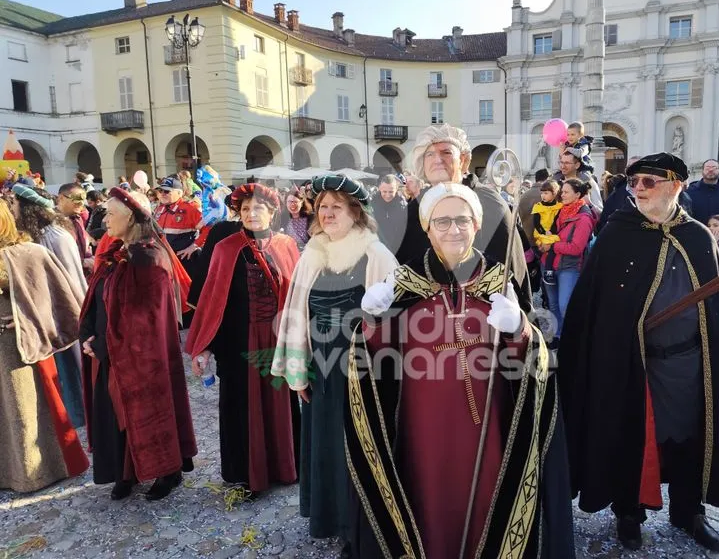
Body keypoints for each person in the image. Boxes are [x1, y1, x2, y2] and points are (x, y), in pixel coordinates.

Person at [348, 182, 574, 558]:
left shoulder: (498, 283)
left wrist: (520, 329)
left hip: (488, 431)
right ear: (427, 227)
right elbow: (377, 362)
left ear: (476, 225)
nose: (454, 229)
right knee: (428, 507)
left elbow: (531, 362)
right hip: (423, 433)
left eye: (463, 220)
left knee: (487, 505)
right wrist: (372, 321)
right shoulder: (405, 285)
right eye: (443, 221)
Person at [558, 153, 719, 553]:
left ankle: (689, 511)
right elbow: (594, 307)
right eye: (634, 183)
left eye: (649, 182)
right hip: (635, 365)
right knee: (632, 435)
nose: (639, 190)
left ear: (676, 185)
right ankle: (628, 513)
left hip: (694, 365)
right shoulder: (618, 233)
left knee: (692, 436)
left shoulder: (699, 237)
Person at [272, 175, 397, 551]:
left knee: (357, 448)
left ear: (355, 212)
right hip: (322, 370)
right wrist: (298, 370)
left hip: (362, 373)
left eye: (336, 207)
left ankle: (357, 526)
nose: (327, 213)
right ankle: (331, 518)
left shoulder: (376, 254)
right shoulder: (312, 254)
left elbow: (394, 320)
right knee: (327, 445)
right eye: (322, 206)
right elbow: (296, 316)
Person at [79, 188, 196, 500]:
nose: (104, 218)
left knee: (149, 413)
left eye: (110, 213)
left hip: (141, 358)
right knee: (115, 413)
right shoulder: (114, 252)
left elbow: (144, 319)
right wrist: (89, 334)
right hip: (107, 350)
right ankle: (125, 471)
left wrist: (103, 344)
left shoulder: (149, 258)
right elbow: (95, 298)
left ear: (130, 216)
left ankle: (166, 471)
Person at [186, 184, 299, 494]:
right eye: (245, 209)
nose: (251, 214)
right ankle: (247, 474)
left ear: (272, 212)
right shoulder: (225, 248)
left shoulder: (286, 246)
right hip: (239, 344)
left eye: (258, 208)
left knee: (280, 404)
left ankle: (285, 466)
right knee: (242, 408)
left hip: (277, 341)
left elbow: (298, 295)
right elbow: (212, 301)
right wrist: (206, 345)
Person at [0, 200, 89, 492]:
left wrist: (23, 315)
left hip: (19, 348)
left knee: (25, 411)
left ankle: (37, 471)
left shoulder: (30, 253)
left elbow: (59, 299)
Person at [396, 124, 531, 310]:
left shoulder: (489, 203)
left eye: (446, 153)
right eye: (429, 154)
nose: (437, 160)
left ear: (464, 160)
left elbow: (507, 271)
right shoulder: (414, 209)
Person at [11, 183, 87, 428]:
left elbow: (69, 283)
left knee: (72, 374)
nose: (11, 208)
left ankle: (78, 421)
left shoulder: (55, 236)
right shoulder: (40, 235)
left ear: (28, 208)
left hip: (63, 317)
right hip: (50, 316)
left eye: (14, 204)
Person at [539, 179, 595, 346]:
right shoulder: (560, 211)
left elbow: (576, 247)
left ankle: (573, 339)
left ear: (578, 195)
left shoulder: (584, 218)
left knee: (566, 306)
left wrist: (553, 245)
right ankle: (558, 335)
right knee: (553, 304)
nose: (561, 195)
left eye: (566, 192)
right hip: (548, 263)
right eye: (561, 191)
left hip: (568, 267)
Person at [685, 159, 719, 226]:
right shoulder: (689, 192)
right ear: (702, 171)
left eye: (714, 168)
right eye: (707, 168)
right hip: (696, 233)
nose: (710, 170)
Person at [57, 183, 93, 273]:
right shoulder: (53, 221)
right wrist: (81, 262)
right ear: (61, 198)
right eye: (76, 199)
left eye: (82, 199)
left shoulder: (78, 219)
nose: (80, 203)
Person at [372, 174, 407, 254]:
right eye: (384, 191)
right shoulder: (372, 204)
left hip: (398, 250)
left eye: (391, 192)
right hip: (378, 249)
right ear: (380, 189)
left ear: (396, 190)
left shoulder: (403, 206)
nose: (388, 195)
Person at [518, 168, 550, 245]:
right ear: (548, 179)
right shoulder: (548, 195)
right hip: (542, 242)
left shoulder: (523, 196)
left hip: (525, 240)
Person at [531, 180, 562, 248]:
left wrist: (551, 231)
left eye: (546, 193)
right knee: (546, 244)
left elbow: (556, 222)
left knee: (556, 241)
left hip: (552, 233)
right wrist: (544, 232)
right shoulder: (538, 206)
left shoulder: (558, 206)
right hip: (540, 233)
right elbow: (536, 223)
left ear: (554, 193)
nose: (543, 196)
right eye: (542, 193)